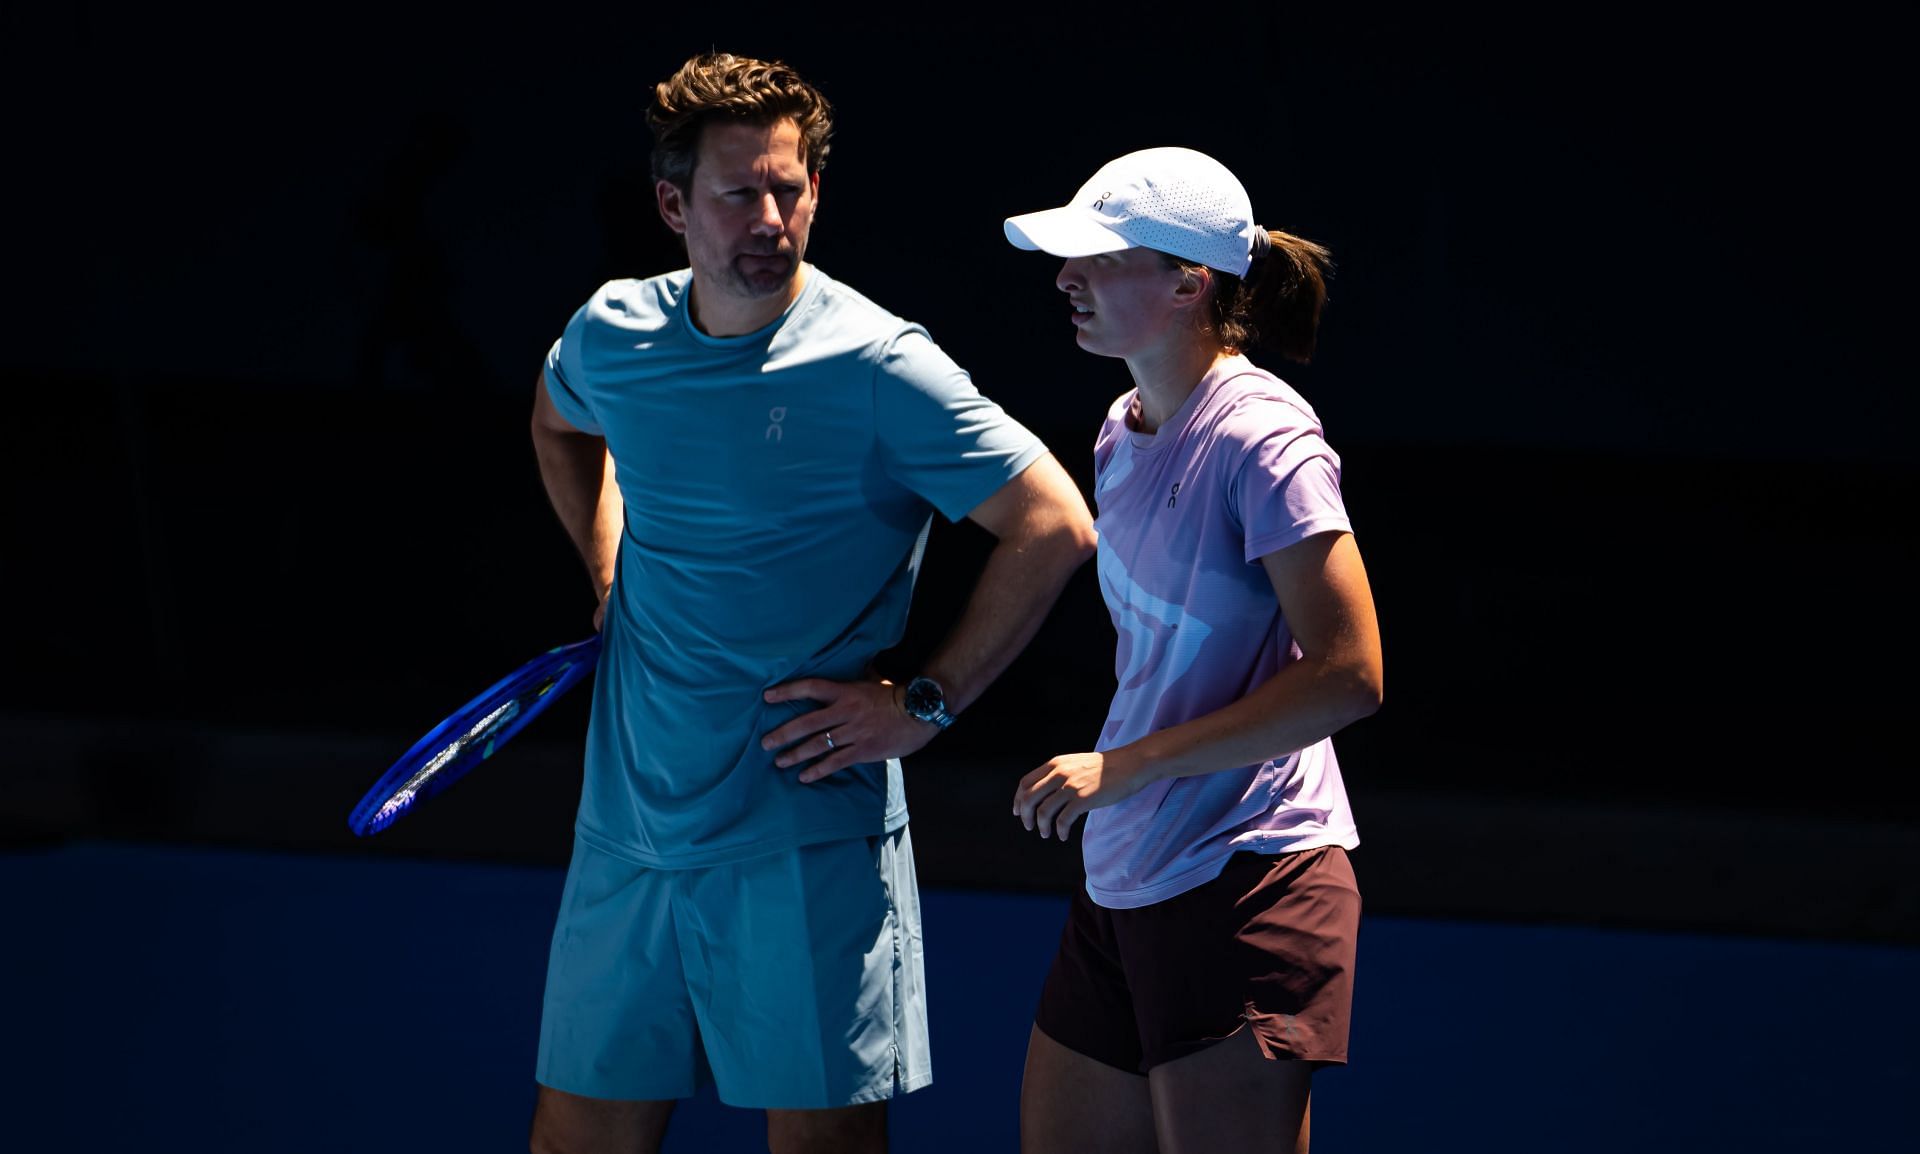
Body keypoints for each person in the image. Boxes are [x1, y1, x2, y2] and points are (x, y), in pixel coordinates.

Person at [526, 52, 1097, 1154]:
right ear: (673, 204)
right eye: (741, 192)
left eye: (792, 187)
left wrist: (925, 700)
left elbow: (1054, 523)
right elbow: (559, 423)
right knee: (574, 1140)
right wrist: (608, 574)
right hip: (628, 831)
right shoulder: (612, 334)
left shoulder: (882, 365)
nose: (772, 215)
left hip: (805, 832)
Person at [1002, 146, 1385, 1154]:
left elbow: (1351, 675)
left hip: (1250, 873)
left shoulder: (1263, 437)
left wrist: (1126, 765)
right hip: (1129, 867)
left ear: (1188, 281)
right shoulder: (1120, 430)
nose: (1065, 278)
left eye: (1100, 258)